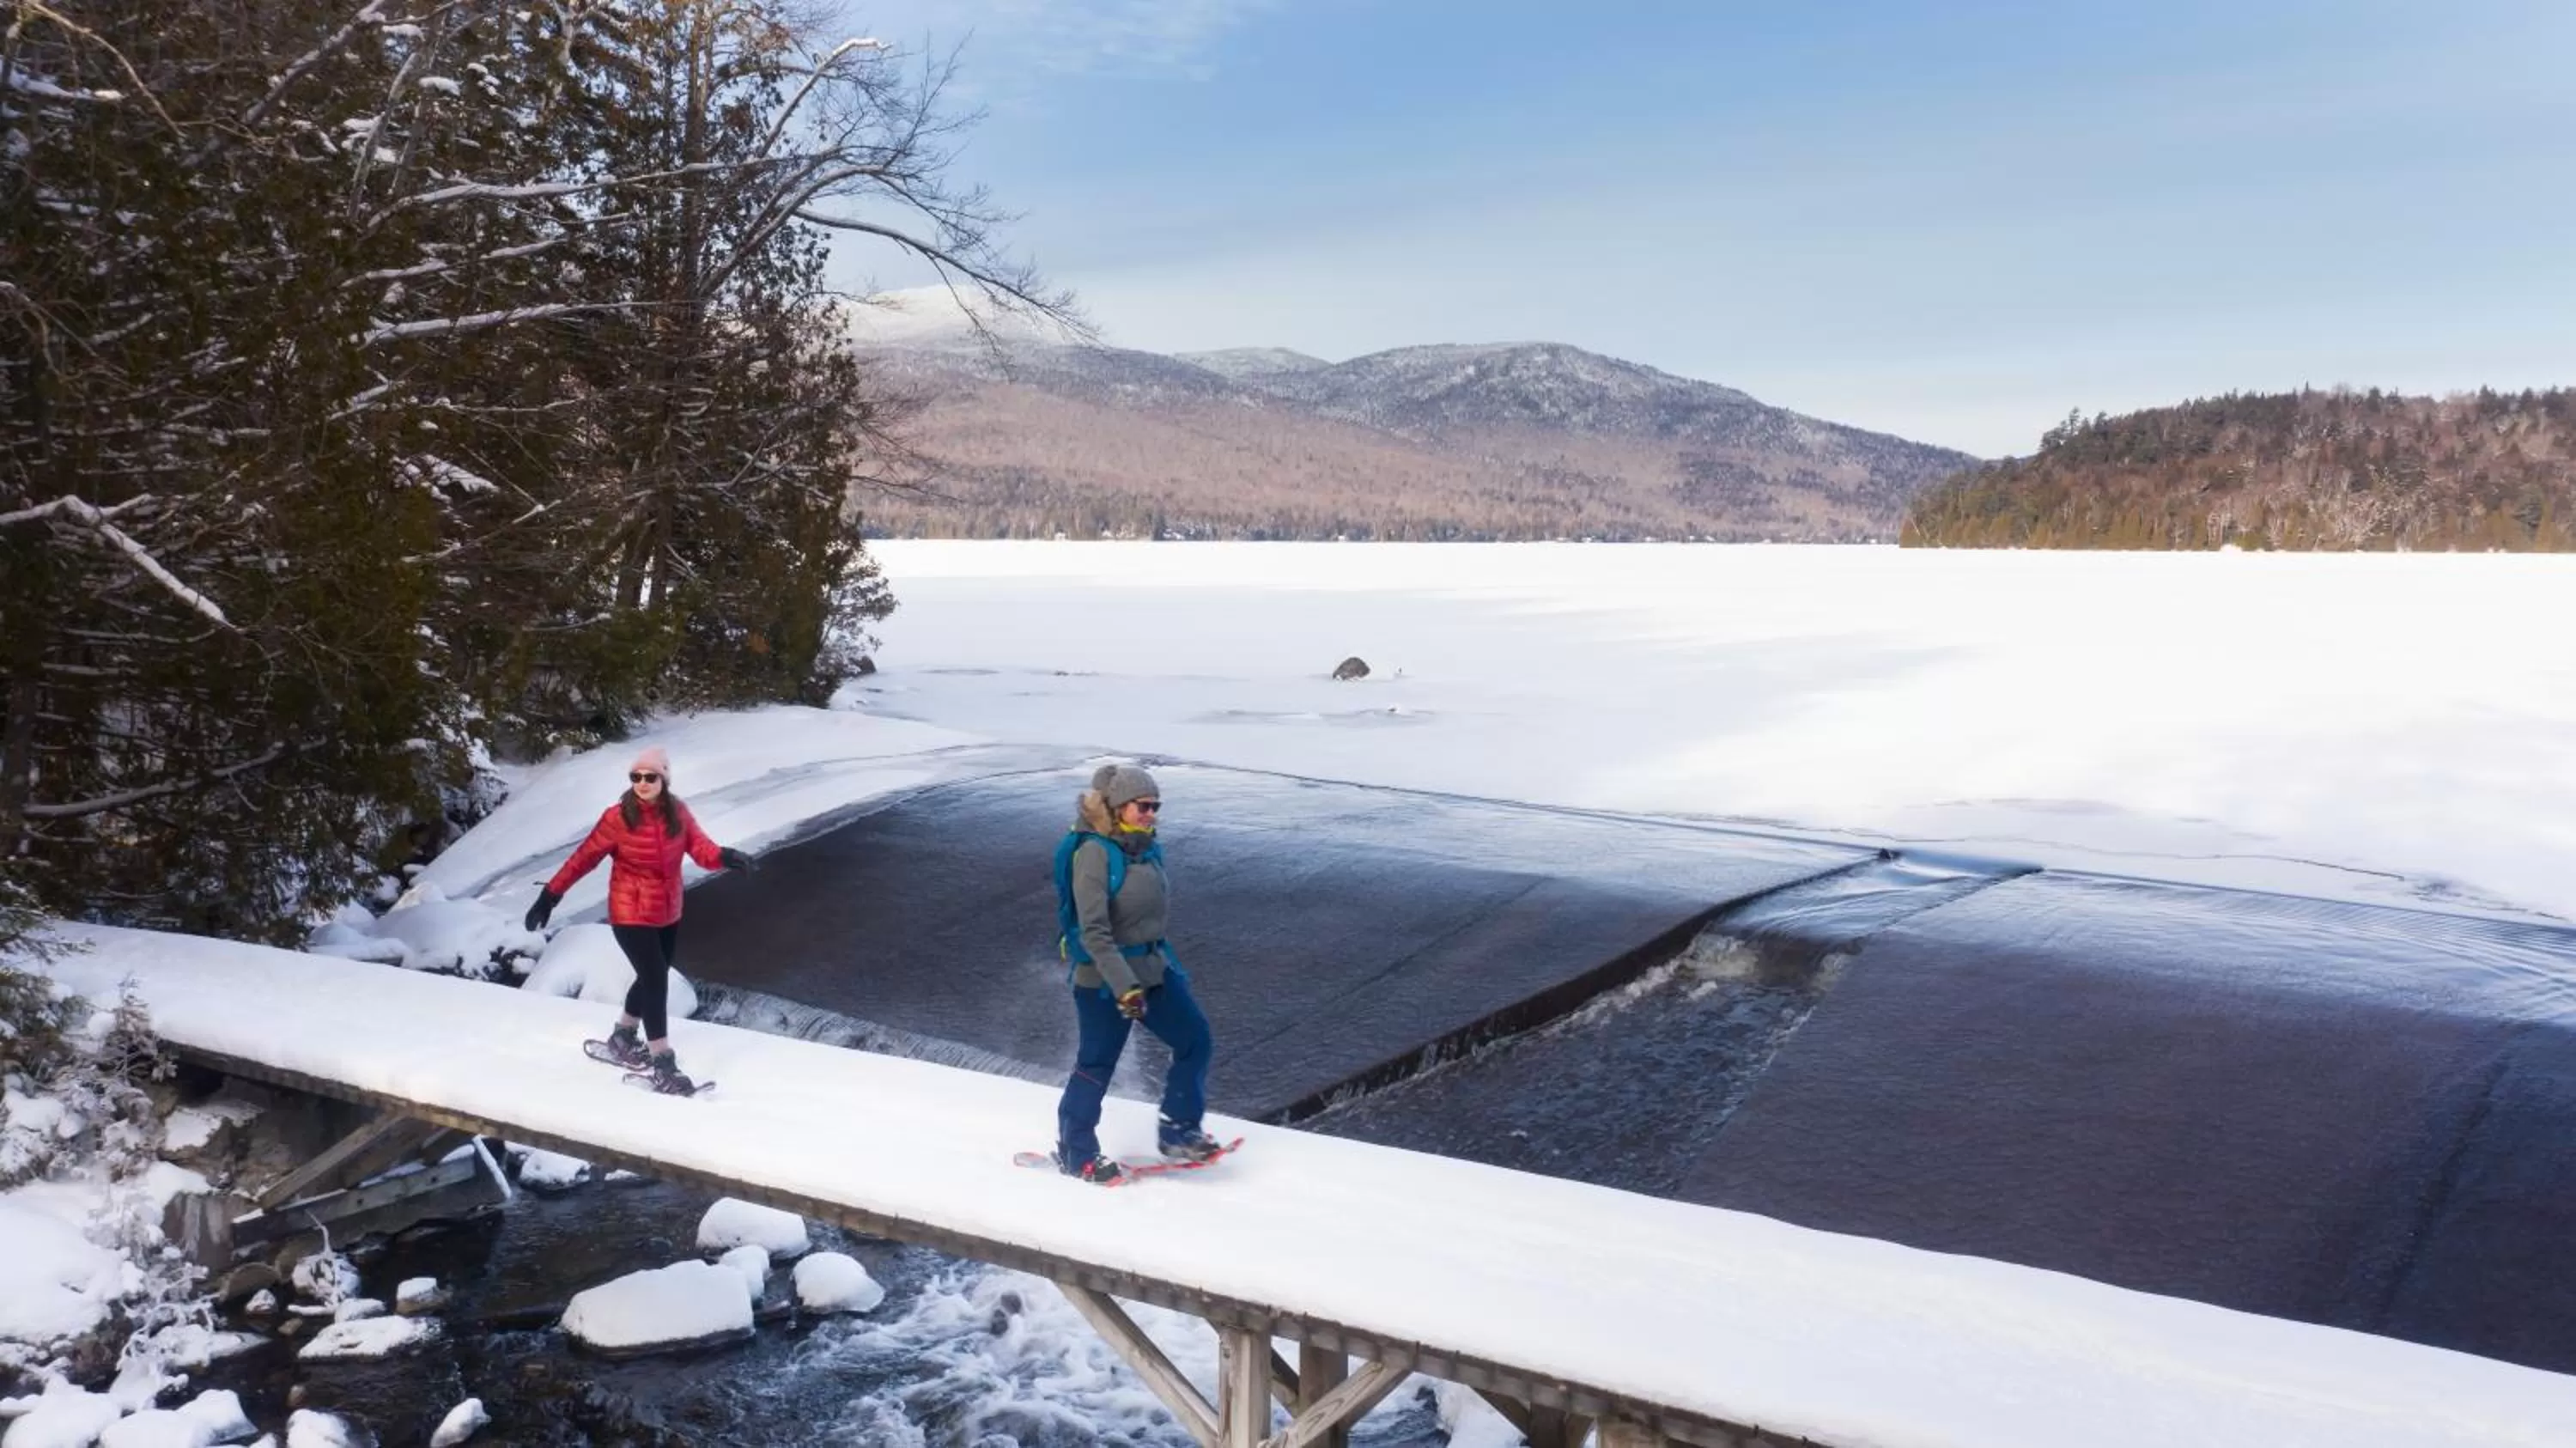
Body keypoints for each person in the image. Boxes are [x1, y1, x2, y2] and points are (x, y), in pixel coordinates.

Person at [524, 745, 752, 1094]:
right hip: (629, 912)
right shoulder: (617, 818)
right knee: (656, 980)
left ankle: (623, 1037)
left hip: (667, 911)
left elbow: (702, 850)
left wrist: (727, 856)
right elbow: (582, 859)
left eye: (650, 777)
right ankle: (663, 1064)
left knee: (651, 977)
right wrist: (550, 896)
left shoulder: (679, 813)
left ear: (664, 779)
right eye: (636, 777)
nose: (642, 783)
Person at [1051, 763, 1220, 1183]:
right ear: (1118, 806)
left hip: (1153, 970)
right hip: (1105, 981)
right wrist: (1124, 986)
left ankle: (1179, 1131)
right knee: (1096, 1063)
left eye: (1155, 806)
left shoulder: (1145, 848)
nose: (1151, 813)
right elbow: (1093, 931)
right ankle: (1076, 1151)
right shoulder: (1093, 853)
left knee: (1195, 1040)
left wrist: (1156, 970)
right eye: (1143, 806)